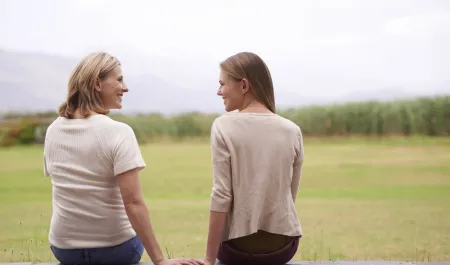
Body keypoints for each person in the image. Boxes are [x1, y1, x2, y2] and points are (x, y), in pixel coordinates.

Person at [43, 52, 203, 265]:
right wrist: (160, 260)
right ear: (97, 84)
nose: (125, 87)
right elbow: (133, 203)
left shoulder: (54, 130)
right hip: (116, 251)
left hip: (64, 250)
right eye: (119, 79)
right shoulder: (118, 132)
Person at [202, 52, 305, 265]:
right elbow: (289, 196)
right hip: (284, 248)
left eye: (222, 83)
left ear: (244, 85)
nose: (219, 91)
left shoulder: (223, 125)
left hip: (236, 250)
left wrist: (209, 260)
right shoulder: (292, 130)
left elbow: (221, 194)